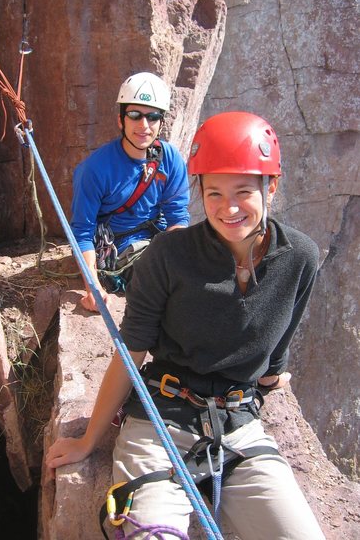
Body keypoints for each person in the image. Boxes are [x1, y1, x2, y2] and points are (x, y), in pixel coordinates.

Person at [47, 111, 325, 540]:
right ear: (199, 191)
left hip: (240, 432)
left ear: (271, 186)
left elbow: (273, 361)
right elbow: (131, 351)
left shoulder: (300, 259)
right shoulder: (169, 254)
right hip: (160, 424)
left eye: (243, 191)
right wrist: (89, 440)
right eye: (213, 193)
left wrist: (272, 377)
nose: (227, 207)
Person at [70, 72, 190, 312]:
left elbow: (178, 217)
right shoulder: (95, 169)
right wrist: (93, 288)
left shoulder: (169, 159)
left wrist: (176, 254)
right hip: (118, 248)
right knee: (162, 287)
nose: (144, 125)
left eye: (153, 117)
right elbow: (81, 232)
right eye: (135, 115)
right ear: (120, 120)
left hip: (157, 240)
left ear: (161, 123)